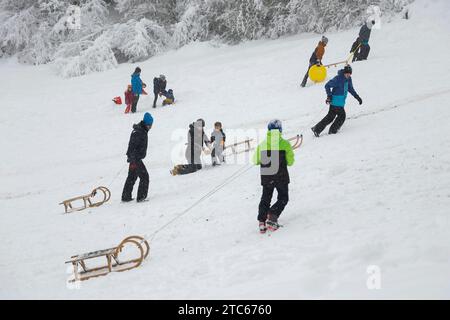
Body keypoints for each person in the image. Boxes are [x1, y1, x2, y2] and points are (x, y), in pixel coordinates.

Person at [253, 120, 295, 233]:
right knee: (283, 197)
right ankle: (272, 215)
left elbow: (255, 161)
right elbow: (290, 162)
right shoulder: (285, 144)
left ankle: (262, 221)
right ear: (280, 130)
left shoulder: (262, 144)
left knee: (266, 198)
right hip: (281, 176)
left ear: (269, 130)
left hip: (267, 176)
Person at [311, 65, 362, 137]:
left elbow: (351, 89)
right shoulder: (338, 79)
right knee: (342, 116)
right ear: (344, 72)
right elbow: (327, 85)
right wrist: (329, 96)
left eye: (349, 74)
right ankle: (332, 131)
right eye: (347, 73)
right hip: (335, 101)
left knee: (330, 117)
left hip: (340, 102)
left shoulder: (348, 79)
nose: (348, 75)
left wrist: (357, 97)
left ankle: (316, 129)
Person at [121, 112, 153, 202]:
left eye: (151, 125)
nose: (151, 127)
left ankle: (126, 197)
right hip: (135, 159)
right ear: (146, 123)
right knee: (144, 176)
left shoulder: (141, 130)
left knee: (132, 177)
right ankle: (141, 197)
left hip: (134, 158)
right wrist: (133, 158)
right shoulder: (139, 132)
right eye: (150, 125)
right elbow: (132, 146)